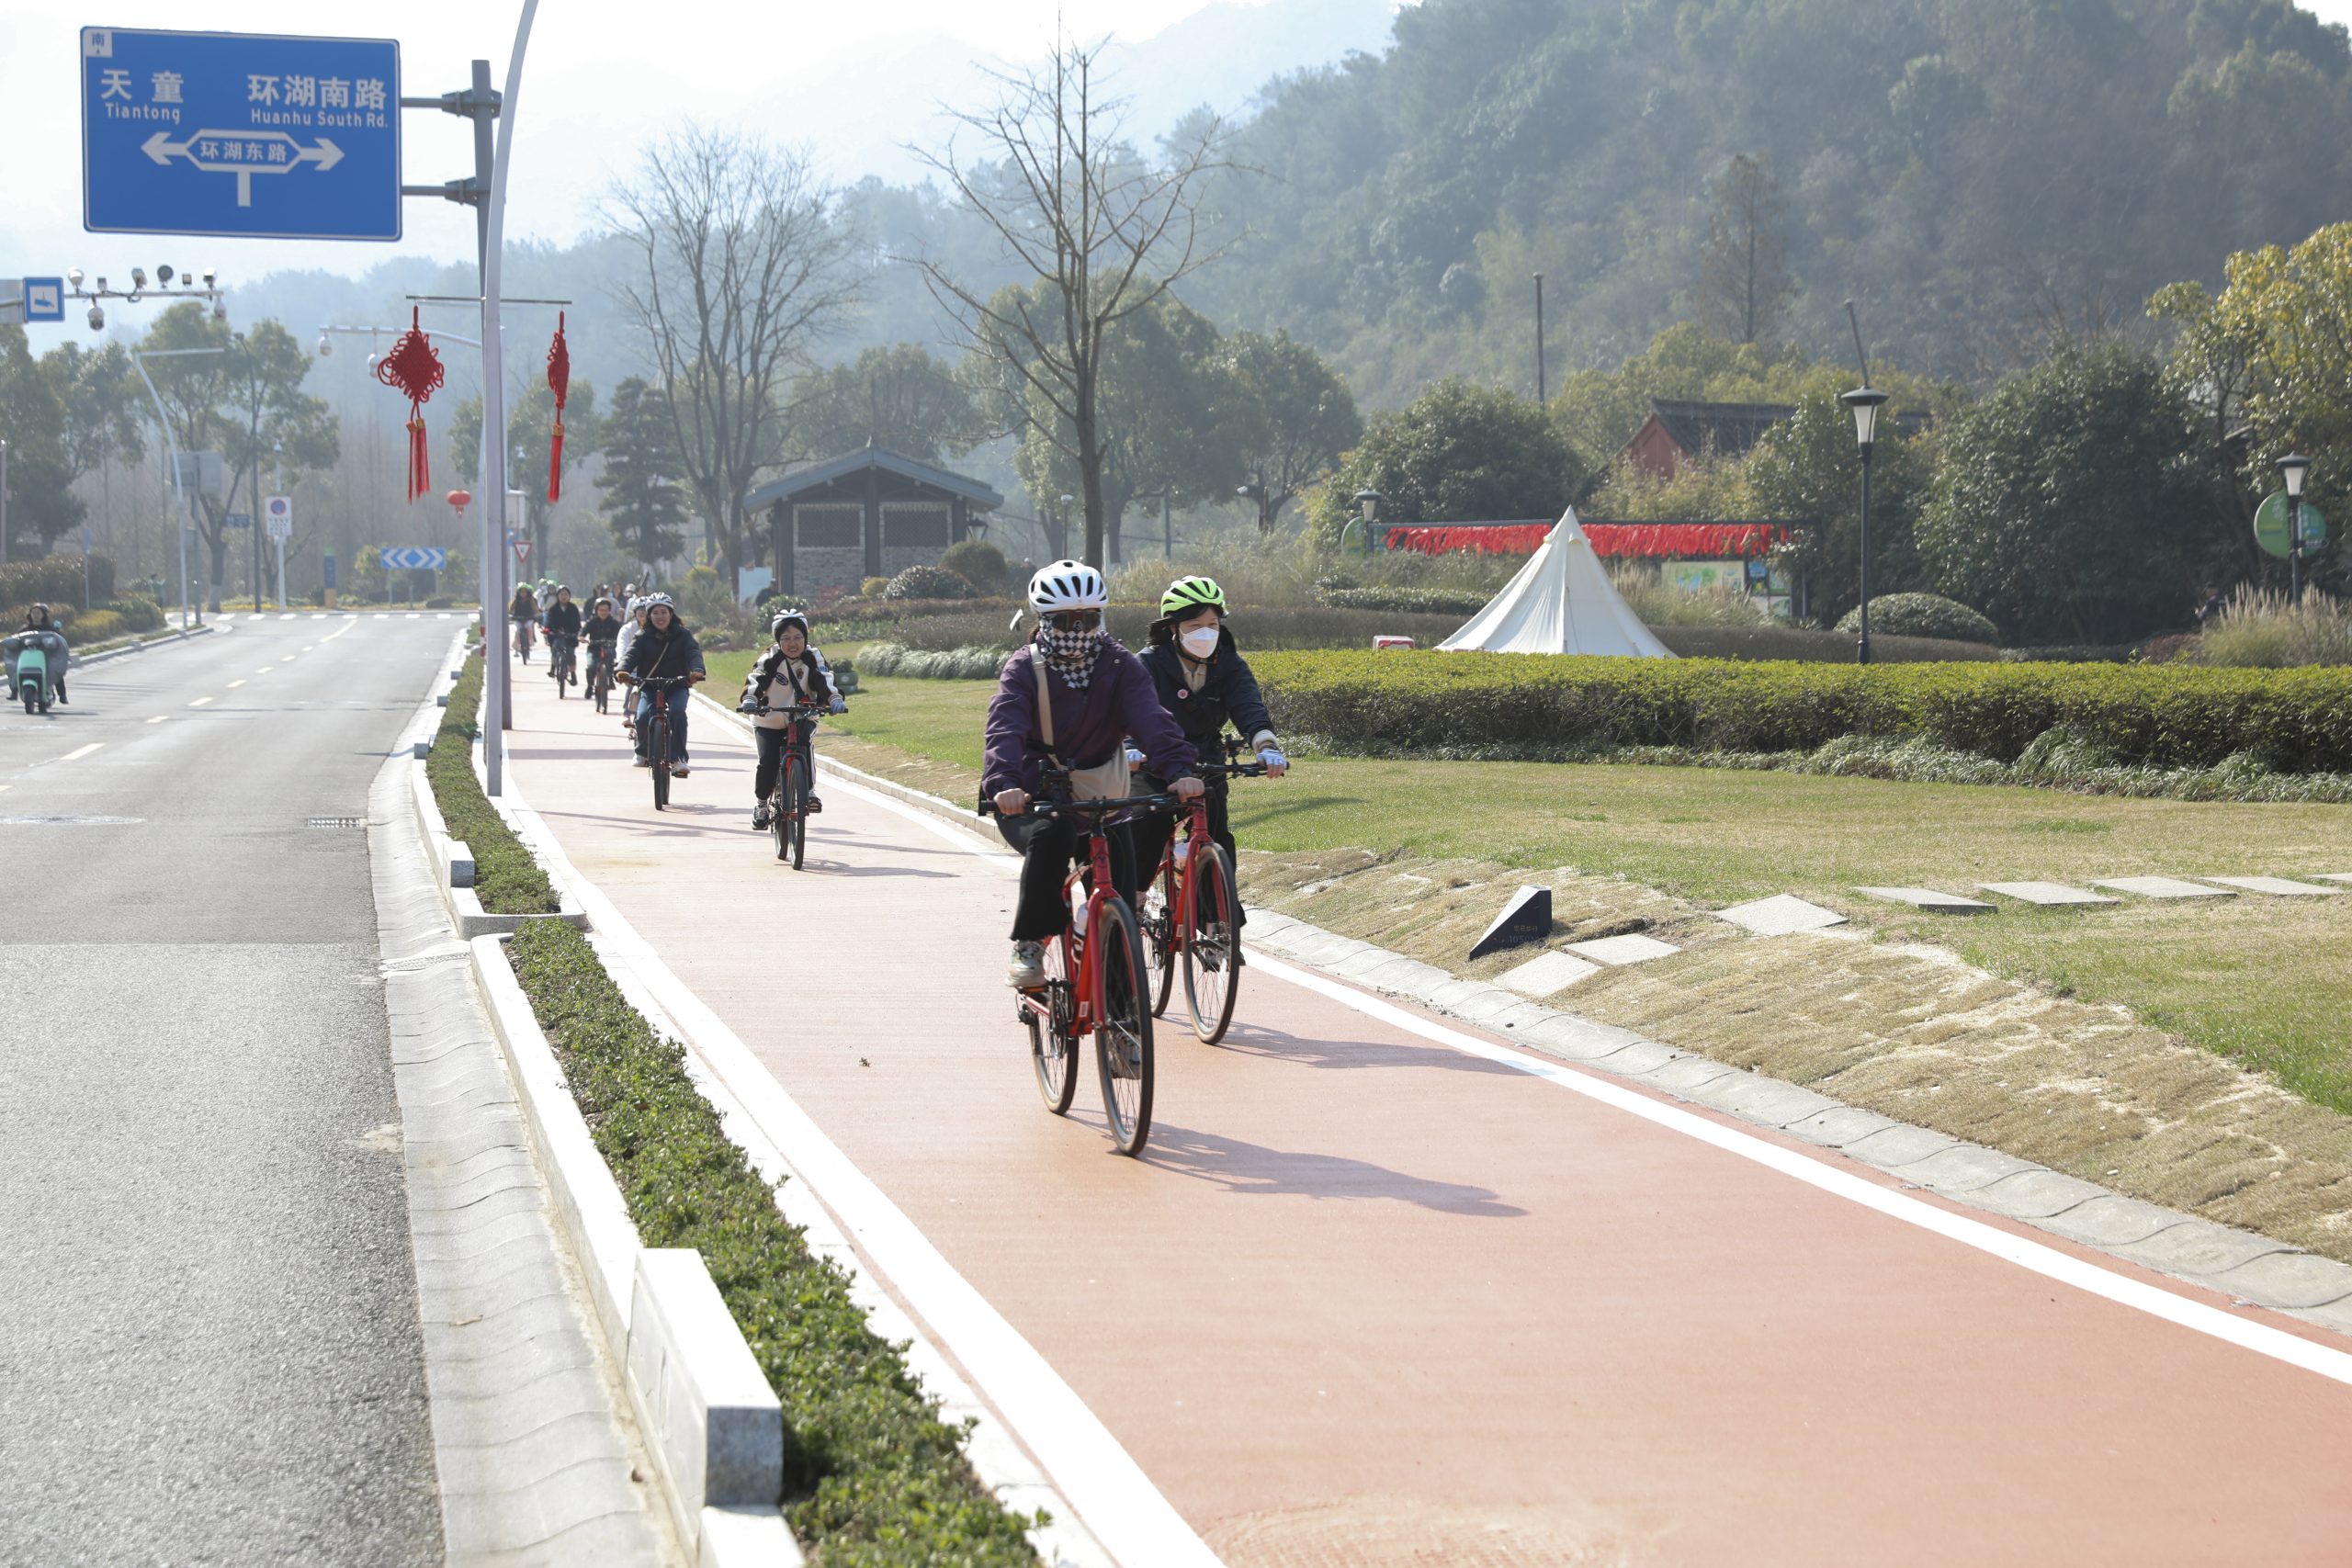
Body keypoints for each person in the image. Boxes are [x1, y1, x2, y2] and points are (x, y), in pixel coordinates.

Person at [982, 560, 1203, 988]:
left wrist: (1179, 770)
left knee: (1121, 906)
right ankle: (1029, 944)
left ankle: (1122, 1015)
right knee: (1053, 836)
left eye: (1089, 619)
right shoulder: (1023, 668)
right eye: (1066, 621)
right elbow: (1004, 729)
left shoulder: (1119, 665)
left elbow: (1151, 718)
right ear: (1044, 620)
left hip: (1101, 798)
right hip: (1033, 796)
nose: (1078, 630)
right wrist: (1004, 784)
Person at [1129, 576, 1287, 919]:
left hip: (1206, 762)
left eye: (1212, 624)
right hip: (1151, 761)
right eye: (1194, 625)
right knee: (1148, 826)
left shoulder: (1230, 664)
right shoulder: (1147, 664)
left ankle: (1217, 921)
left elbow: (1249, 707)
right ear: (1173, 628)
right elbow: (1132, 712)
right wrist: (1130, 749)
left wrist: (1267, 746)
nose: (1205, 633)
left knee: (1217, 835)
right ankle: (1135, 897)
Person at [741, 610, 844, 829]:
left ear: (805, 638)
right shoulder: (770, 657)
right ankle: (761, 804)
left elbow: (825, 679)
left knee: (804, 745)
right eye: (786, 638)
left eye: (798, 637)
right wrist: (750, 699)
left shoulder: (813, 656)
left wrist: (834, 699)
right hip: (769, 718)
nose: (792, 643)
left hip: (802, 715)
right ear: (778, 640)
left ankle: (809, 791)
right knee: (768, 761)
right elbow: (756, 679)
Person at [619, 593, 705, 774]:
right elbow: (630, 655)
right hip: (649, 685)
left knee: (678, 712)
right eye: (655, 613)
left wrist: (697, 670)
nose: (660, 617)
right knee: (642, 716)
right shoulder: (642, 636)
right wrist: (622, 670)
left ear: (671, 613)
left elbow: (693, 653)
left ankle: (679, 758)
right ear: (649, 616)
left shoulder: (683, 635)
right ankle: (642, 752)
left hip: (677, 684)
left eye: (664, 612)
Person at [4, 604, 71, 705]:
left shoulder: (50, 629)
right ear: (30, 615)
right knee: (14, 669)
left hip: (46, 658)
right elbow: (17, 640)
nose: (36, 615)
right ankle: (14, 691)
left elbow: (59, 640)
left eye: (38, 613)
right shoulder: (25, 629)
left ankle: (62, 695)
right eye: (33, 613)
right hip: (27, 657)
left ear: (43, 615)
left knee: (55, 670)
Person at [542, 585, 582, 679]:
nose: (564, 597)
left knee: (571, 654)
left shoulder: (573, 608)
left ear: (569, 596)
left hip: (570, 635)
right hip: (556, 635)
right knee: (555, 649)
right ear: (558, 596)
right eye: (561, 594)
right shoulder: (553, 608)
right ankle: (553, 668)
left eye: (566, 594)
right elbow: (548, 621)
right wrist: (547, 629)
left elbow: (577, 622)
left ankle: (573, 673)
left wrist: (576, 631)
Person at [583, 594, 621, 692]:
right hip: (593, 648)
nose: (603, 612)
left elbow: (620, 635)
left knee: (610, 657)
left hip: (609, 647)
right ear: (596, 610)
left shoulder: (614, 623)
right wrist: (581, 638)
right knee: (591, 666)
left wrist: (616, 641)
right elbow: (582, 633)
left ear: (609, 611)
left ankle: (610, 678)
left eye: (605, 610)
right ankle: (590, 686)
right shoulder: (591, 622)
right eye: (601, 610)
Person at [508, 581, 539, 662]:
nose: (523, 594)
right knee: (517, 631)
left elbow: (535, 608)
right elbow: (511, 608)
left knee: (529, 627)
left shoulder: (531, 600)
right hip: (518, 618)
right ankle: (516, 646)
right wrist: (510, 614)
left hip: (529, 617)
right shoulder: (516, 600)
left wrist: (536, 614)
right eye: (521, 592)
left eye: (524, 592)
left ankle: (530, 641)